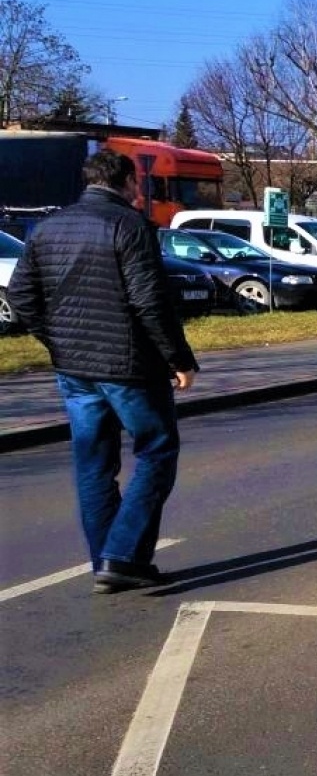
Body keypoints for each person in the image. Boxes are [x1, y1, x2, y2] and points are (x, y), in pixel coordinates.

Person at [8, 149, 200, 592]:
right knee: (156, 450)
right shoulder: (130, 226)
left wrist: (55, 340)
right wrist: (179, 359)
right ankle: (123, 554)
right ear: (129, 182)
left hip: (74, 368)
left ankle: (109, 562)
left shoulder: (49, 228)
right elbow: (149, 301)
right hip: (130, 366)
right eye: (137, 185)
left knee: (93, 464)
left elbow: (20, 297)